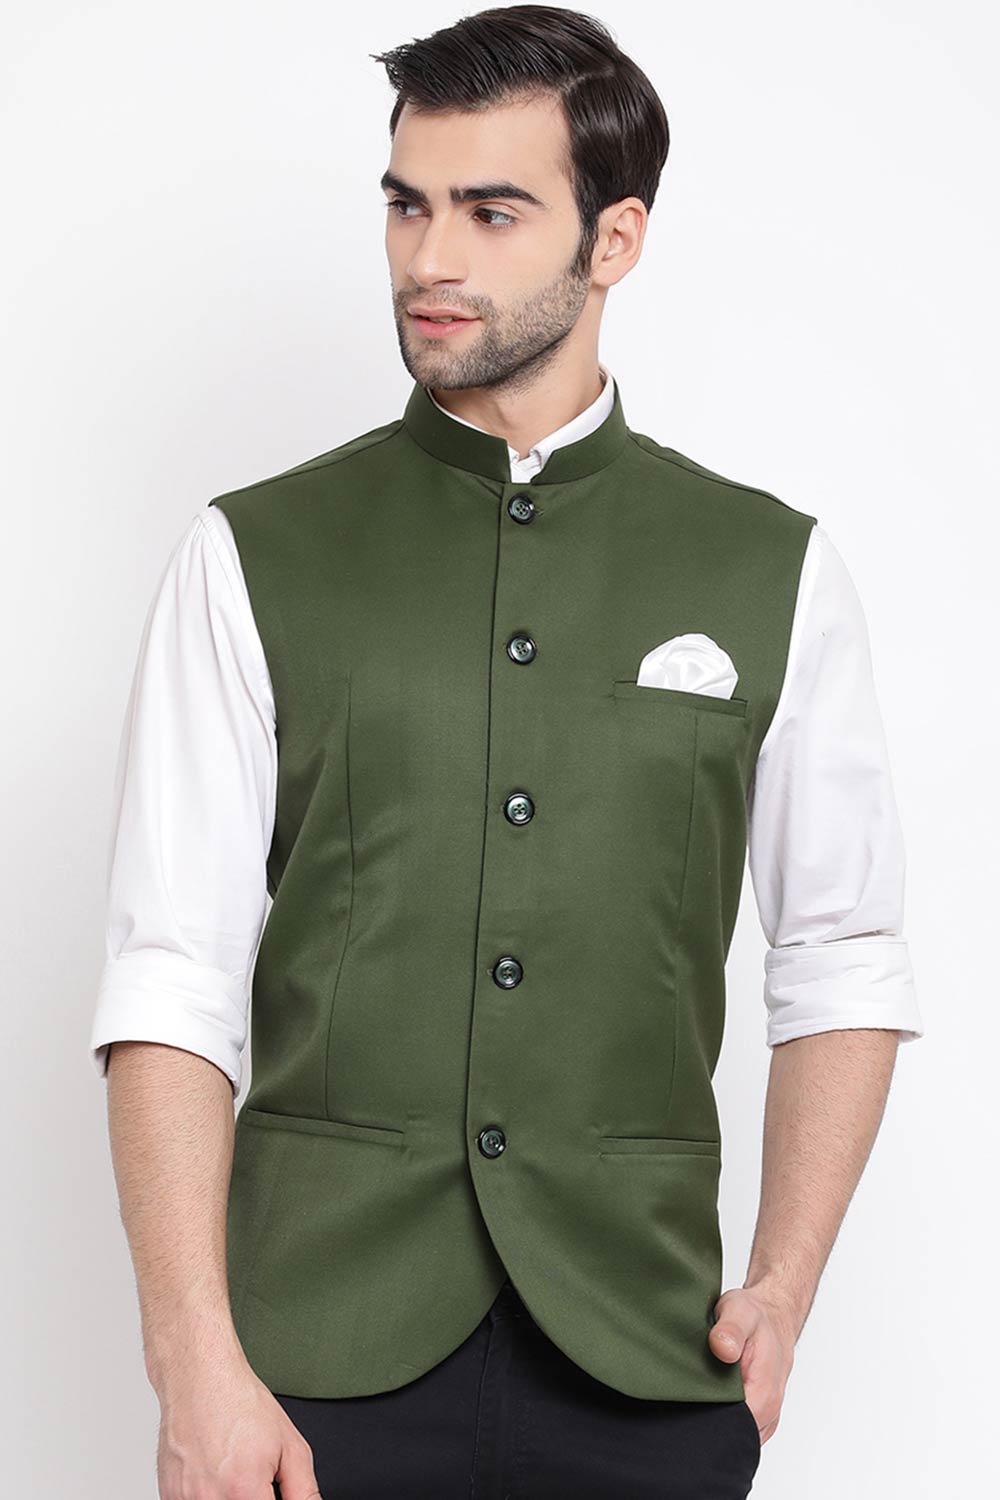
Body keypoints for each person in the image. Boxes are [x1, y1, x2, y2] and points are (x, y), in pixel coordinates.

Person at [90, 8, 924, 1497]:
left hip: (647, 1352)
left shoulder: (772, 571)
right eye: (407, 206)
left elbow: (844, 956)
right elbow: (172, 977)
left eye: (491, 212)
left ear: (616, 240)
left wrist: (784, 1287)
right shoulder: (249, 556)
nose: (429, 259)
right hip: (310, 1365)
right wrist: (192, 1359)